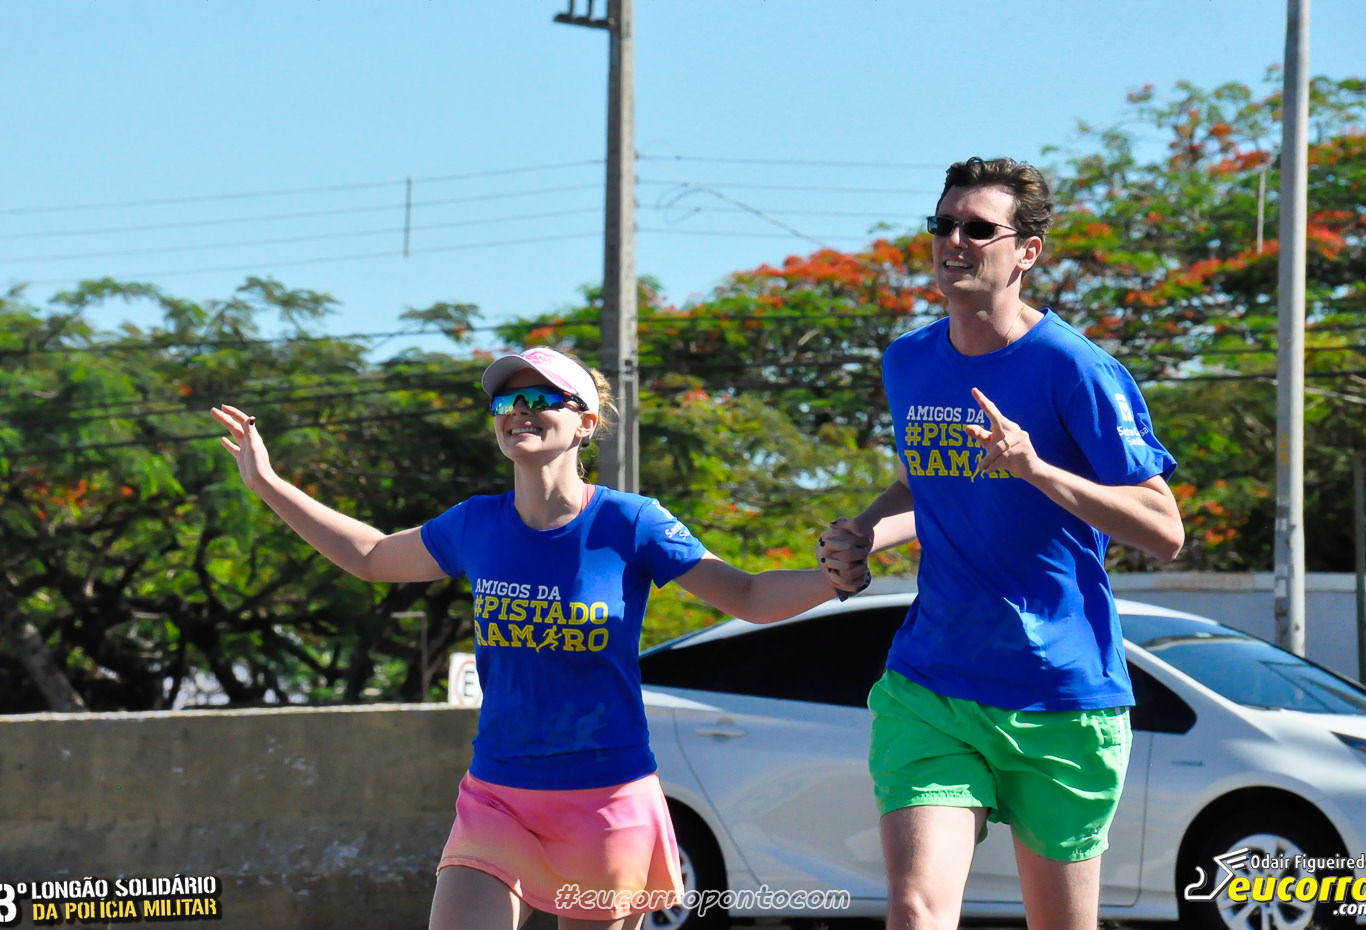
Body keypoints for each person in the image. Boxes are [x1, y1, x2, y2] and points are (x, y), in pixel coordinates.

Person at [212, 346, 854, 930]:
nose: (519, 410)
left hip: (606, 798)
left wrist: (833, 580)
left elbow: (747, 596)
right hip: (499, 795)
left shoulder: (631, 522)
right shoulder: (475, 523)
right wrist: (267, 483)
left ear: (586, 424)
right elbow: (373, 556)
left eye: (541, 398)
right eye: (506, 401)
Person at [818, 157, 1184, 930]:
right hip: (933, 684)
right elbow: (923, 485)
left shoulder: (1075, 368)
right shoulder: (908, 361)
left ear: (1027, 252)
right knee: (916, 909)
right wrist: (863, 535)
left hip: (1062, 694)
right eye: (943, 224)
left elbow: (1164, 529)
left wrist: (1038, 470)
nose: (954, 240)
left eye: (979, 228)